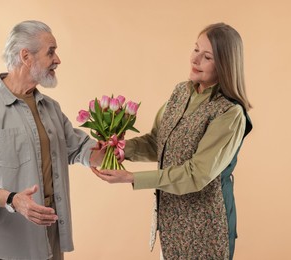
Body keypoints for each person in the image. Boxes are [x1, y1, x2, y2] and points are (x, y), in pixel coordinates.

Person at [92, 22, 253, 260]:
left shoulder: (228, 113)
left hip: (205, 228)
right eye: (195, 49)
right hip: (170, 223)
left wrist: (132, 178)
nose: (195, 59)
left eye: (206, 56)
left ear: (224, 66)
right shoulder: (181, 92)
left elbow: (196, 174)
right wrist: (124, 150)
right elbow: (159, 141)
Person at [0, 20, 103, 260]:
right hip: (6, 246)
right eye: (51, 52)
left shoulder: (51, 108)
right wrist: (14, 200)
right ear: (26, 56)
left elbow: (80, 149)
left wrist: (110, 147)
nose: (57, 60)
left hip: (50, 238)